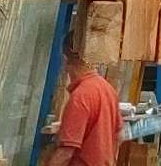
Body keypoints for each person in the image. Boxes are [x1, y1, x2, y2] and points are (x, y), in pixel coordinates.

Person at [46, 34, 121, 166]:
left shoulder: (81, 96)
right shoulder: (108, 90)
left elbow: (65, 154)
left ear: (65, 60)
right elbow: (118, 134)